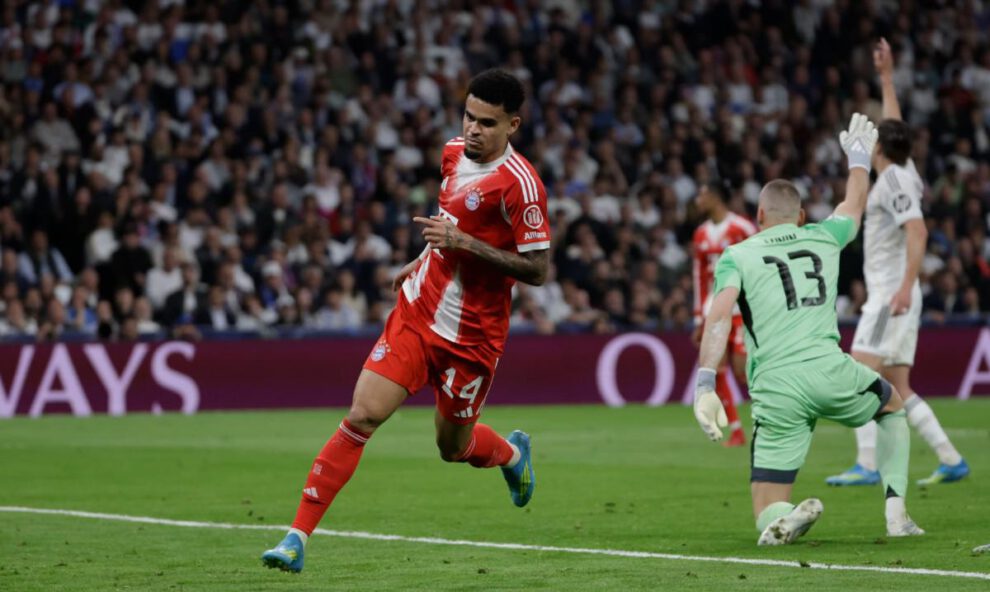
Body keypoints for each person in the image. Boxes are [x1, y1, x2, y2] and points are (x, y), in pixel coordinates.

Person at [261, 69, 551, 573]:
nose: (474, 129)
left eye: (487, 122)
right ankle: (295, 538)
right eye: (469, 116)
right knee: (362, 415)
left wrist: (464, 246)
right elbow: (450, 224)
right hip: (419, 313)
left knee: (451, 446)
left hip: (475, 338)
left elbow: (539, 270)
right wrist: (425, 258)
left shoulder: (522, 187)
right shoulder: (451, 153)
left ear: (513, 125)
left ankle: (509, 454)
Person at [693, 113, 924, 545]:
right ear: (800, 215)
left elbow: (719, 314)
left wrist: (706, 381)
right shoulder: (822, 236)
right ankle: (896, 513)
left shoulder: (737, 255)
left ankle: (788, 514)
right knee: (892, 406)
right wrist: (858, 157)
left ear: (760, 215)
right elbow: (854, 204)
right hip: (832, 371)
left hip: (777, 387)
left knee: (765, 507)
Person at [826, 39, 969, 488]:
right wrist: (886, 77)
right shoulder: (903, 170)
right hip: (896, 292)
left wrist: (905, 286)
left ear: (881, 149)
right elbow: (895, 126)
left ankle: (868, 464)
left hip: (891, 295)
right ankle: (950, 459)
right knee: (898, 387)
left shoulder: (890, 182)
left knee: (858, 373)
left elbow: (918, 230)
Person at [691, 180, 757, 446]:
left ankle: (769, 418)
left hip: (741, 310)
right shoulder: (701, 234)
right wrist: (699, 316)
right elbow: (699, 276)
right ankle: (737, 430)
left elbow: (757, 266)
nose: (698, 200)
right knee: (715, 369)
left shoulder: (742, 228)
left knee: (744, 371)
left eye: (702, 193)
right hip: (713, 311)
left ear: (716, 197)